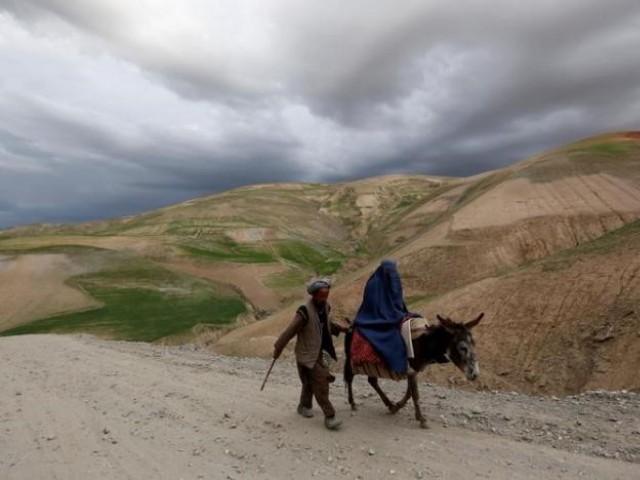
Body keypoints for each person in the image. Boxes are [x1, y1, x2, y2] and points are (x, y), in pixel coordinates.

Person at [273, 277, 347, 430]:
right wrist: (278, 348)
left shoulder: (326, 307)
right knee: (321, 382)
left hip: (321, 352)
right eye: (321, 295)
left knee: (309, 382)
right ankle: (330, 416)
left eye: (326, 295)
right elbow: (289, 332)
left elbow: (326, 325)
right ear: (314, 295)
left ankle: (304, 406)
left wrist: (340, 329)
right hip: (306, 354)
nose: (324, 298)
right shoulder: (304, 312)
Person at [353, 259, 419, 374]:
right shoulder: (375, 284)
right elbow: (375, 304)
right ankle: (399, 365)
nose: (394, 273)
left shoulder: (384, 280)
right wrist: (394, 312)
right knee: (393, 335)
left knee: (418, 318)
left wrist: (397, 310)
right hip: (373, 317)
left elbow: (396, 300)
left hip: (388, 313)